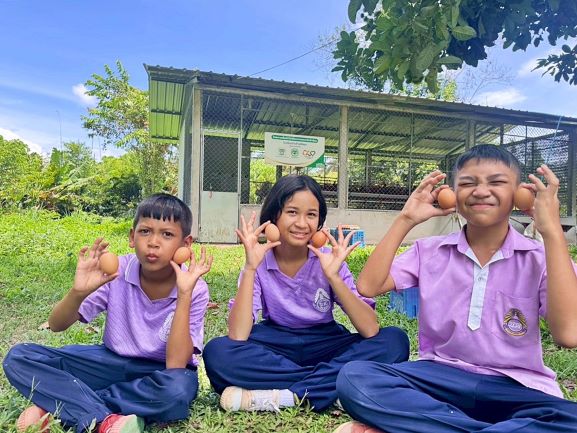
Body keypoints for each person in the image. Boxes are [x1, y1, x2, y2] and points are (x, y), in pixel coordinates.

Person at [333, 144, 577, 433]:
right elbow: (368, 286)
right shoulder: (429, 251)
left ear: (519, 194)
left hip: (516, 385)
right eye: (468, 183)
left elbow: (568, 334)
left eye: (496, 182)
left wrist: (551, 231)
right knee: (356, 377)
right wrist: (406, 219)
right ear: (453, 194)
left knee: (569, 418)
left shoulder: (542, 258)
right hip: (439, 377)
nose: (481, 191)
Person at [3, 193, 212, 433]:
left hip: (159, 372)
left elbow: (176, 364)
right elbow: (57, 324)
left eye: (167, 234)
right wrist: (77, 292)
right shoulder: (117, 271)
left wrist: (184, 295)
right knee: (20, 357)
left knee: (177, 390)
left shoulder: (194, 287)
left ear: (185, 244)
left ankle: (69, 407)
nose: (153, 242)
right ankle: (105, 417)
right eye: (145, 231)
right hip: (109, 362)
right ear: (132, 237)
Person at [203, 174, 409, 413]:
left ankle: (287, 396)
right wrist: (250, 268)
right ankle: (334, 386)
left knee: (394, 341)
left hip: (326, 342)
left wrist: (333, 276)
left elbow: (370, 329)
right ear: (274, 216)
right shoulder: (258, 261)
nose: (302, 223)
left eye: (311, 215)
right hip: (276, 342)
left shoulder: (329, 260)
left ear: (319, 221)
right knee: (218, 353)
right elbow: (238, 335)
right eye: (292, 212)